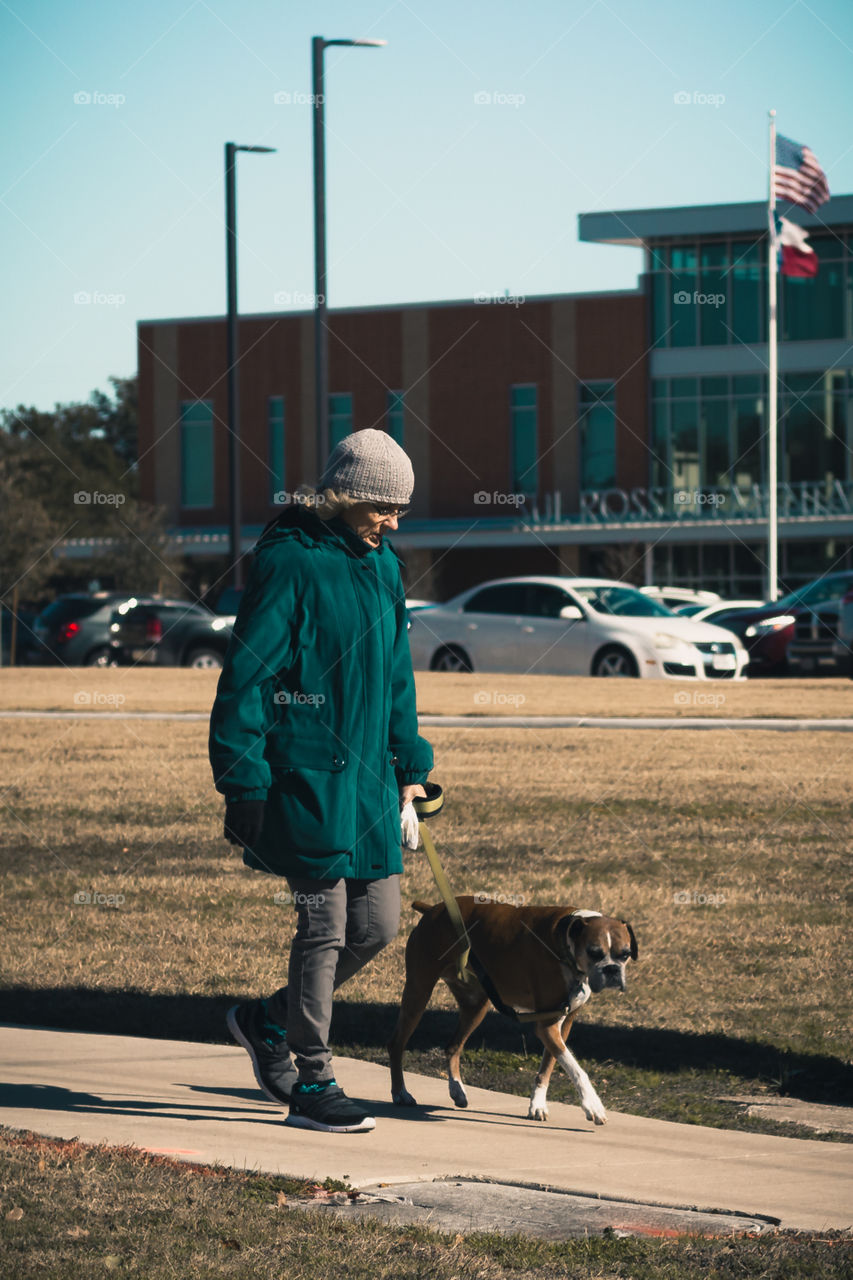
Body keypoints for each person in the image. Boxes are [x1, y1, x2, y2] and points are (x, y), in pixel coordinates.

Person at [209, 429, 433, 1134]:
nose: (392, 523)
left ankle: (266, 1021)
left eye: (400, 510)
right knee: (324, 926)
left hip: (369, 784)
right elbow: (247, 677)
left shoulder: (381, 567)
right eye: (382, 508)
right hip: (304, 778)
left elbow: (396, 679)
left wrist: (412, 766)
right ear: (345, 497)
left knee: (379, 925)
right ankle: (313, 1081)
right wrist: (243, 781)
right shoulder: (291, 564)